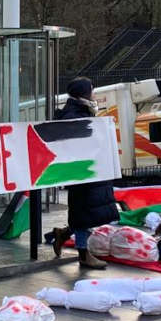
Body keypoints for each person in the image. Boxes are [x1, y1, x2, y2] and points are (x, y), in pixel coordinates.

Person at [50, 77, 117, 269]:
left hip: (85, 171)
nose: (94, 94)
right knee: (83, 213)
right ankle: (83, 254)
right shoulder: (75, 113)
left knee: (85, 212)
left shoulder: (80, 110)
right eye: (92, 90)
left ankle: (64, 235)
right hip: (80, 172)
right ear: (84, 93)